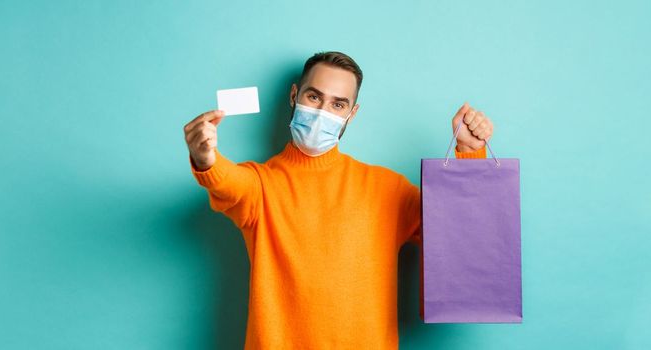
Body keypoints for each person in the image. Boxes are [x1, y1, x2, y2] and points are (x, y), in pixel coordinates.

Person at [182, 51, 494, 349]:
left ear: (351, 113)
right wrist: (206, 157)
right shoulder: (261, 184)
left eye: (338, 105)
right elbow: (228, 183)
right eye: (314, 97)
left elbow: (457, 232)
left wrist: (469, 153)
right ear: (294, 96)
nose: (321, 113)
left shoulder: (387, 189)